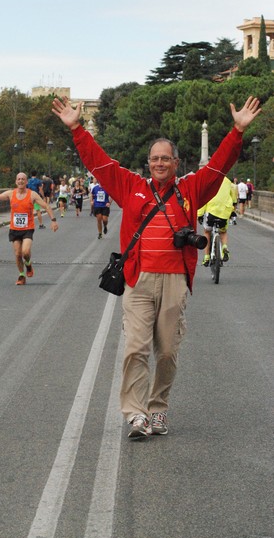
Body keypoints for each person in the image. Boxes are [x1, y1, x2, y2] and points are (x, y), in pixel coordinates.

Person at [52, 95, 261, 438]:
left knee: (167, 351)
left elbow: (219, 167)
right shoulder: (130, 187)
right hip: (138, 279)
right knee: (135, 348)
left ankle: (158, 408)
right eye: (155, 159)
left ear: (177, 163)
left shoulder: (191, 188)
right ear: (147, 163)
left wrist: (237, 130)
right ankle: (136, 414)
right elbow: (99, 164)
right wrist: (76, 128)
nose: (160, 164)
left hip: (175, 279)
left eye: (166, 159)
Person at [0, 172, 59, 285]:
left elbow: (46, 206)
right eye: (19, 179)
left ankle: (28, 264)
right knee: (17, 254)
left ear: (26, 182)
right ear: (16, 181)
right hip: (15, 229)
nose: (20, 181)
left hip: (28, 228)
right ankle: (22, 275)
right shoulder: (11, 194)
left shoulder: (32, 195)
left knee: (25, 252)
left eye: (23, 179)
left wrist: (53, 221)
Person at [197, 176, 238, 266]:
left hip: (211, 210)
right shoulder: (228, 182)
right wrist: (233, 208)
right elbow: (233, 197)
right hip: (224, 211)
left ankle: (206, 257)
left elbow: (204, 199)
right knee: (223, 232)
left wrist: (199, 214)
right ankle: (224, 247)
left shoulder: (209, 180)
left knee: (207, 232)